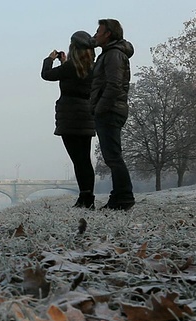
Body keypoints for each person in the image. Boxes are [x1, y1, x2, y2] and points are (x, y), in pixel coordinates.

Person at [41, 31, 96, 209]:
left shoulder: (68, 68)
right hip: (86, 116)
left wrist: (49, 59)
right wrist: (64, 63)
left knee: (77, 160)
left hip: (69, 118)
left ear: (73, 48)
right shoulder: (93, 68)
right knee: (85, 160)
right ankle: (87, 197)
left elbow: (46, 74)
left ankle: (84, 198)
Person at [87, 19, 135, 210]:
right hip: (111, 109)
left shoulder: (114, 55)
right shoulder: (109, 53)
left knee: (113, 157)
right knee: (112, 156)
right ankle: (118, 196)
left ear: (108, 34)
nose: (95, 34)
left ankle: (124, 198)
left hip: (110, 110)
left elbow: (114, 85)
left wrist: (99, 108)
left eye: (98, 31)